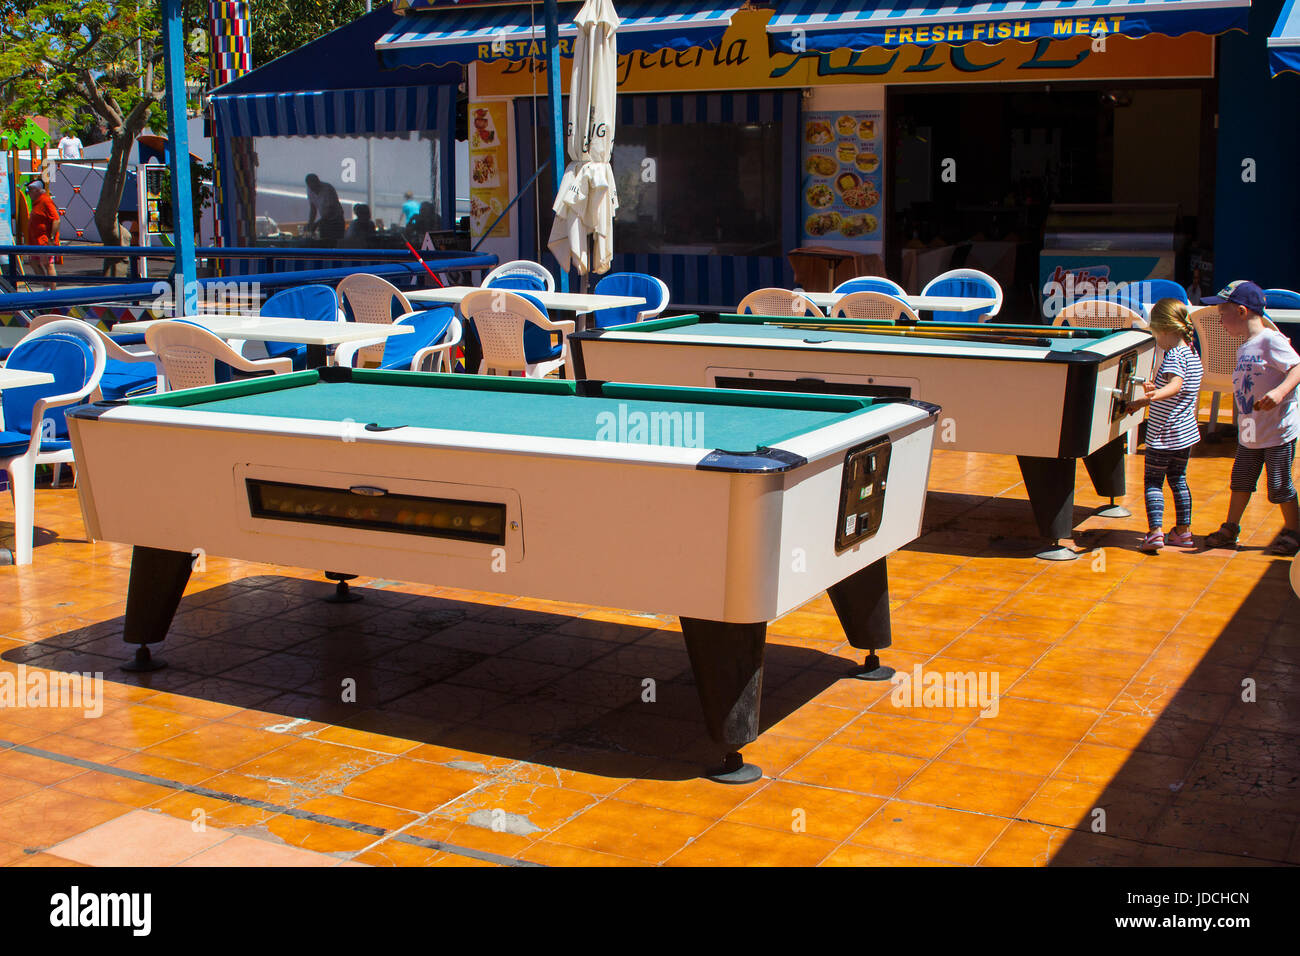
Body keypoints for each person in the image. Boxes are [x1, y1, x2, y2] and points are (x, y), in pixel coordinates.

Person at [1202, 281, 1300, 555]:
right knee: (1241, 480)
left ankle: (1294, 529)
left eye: (1223, 313)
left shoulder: (1270, 340)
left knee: (1279, 485)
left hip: (1276, 431)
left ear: (1242, 311)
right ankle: (1231, 527)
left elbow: (1296, 367)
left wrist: (1279, 393)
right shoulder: (1245, 346)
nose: (1220, 320)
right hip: (1250, 429)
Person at [1127, 298, 1203, 552]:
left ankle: (1155, 532)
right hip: (1186, 434)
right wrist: (1148, 397)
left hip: (1163, 435)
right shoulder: (1193, 353)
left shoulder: (1174, 356)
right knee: (1179, 479)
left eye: (1154, 331)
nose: (1154, 337)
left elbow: (1175, 386)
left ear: (1165, 329)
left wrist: (1151, 396)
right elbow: (1179, 392)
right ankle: (1183, 531)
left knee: (1153, 482)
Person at [24, 180, 60, 290]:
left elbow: (56, 220)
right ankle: (46, 287)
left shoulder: (45, 201)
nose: (28, 193)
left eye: (30, 190)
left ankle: (53, 292)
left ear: (37, 190)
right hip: (35, 241)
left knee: (48, 264)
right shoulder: (36, 202)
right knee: (34, 262)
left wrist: (52, 237)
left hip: (44, 241)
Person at [303, 173, 344, 246]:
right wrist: (310, 223)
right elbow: (313, 208)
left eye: (314, 187)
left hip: (336, 221)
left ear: (318, 182)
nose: (313, 190)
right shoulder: (310, 189)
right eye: (310, 187)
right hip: (324, 222)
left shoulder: (327, 189)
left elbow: (330, 211)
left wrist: (316, 224)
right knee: (323, 243)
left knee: (334, 244)